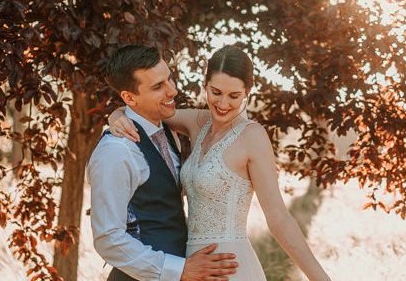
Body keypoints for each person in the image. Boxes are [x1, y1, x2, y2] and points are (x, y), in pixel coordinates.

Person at [109, 44, 333, 281]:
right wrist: (116, 116)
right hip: (193, 266)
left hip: (230, 267)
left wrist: (320, 278)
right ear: (204, 85)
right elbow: (146, 109)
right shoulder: (198, 122)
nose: (223, 104)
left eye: (234, 96)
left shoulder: (252, 136)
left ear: (247, 91)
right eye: (216, 92)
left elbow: (279, 219)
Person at [87, 44, 239, 281]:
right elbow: (108, 239)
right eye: (158, 86)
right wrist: (180, 270)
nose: (172, 91)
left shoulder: (165, 131)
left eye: (169, 79)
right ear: (129, 97)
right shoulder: (115, 151)